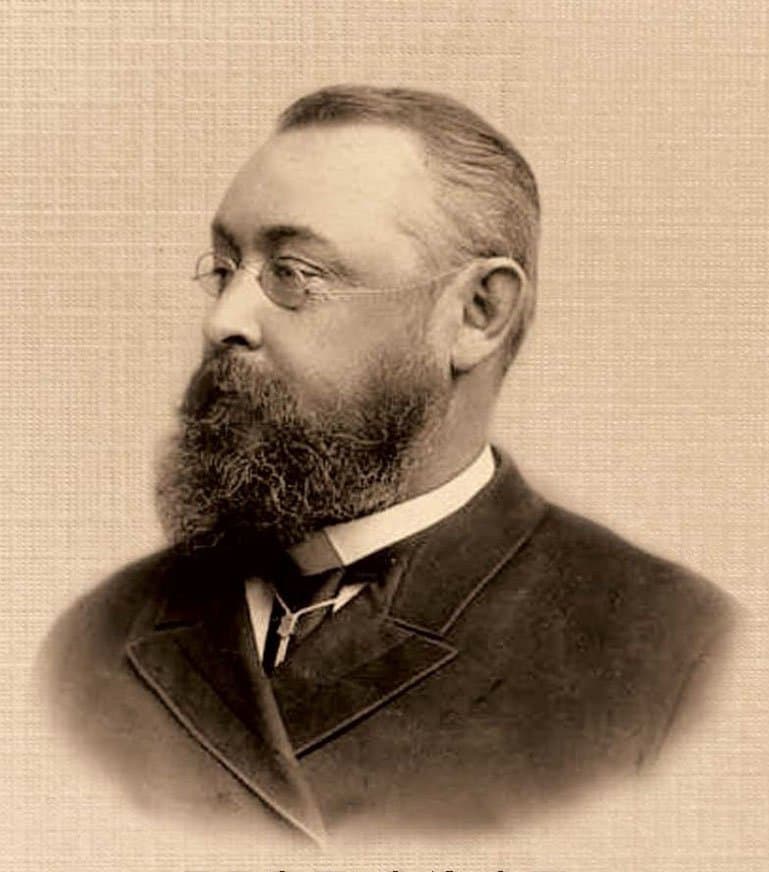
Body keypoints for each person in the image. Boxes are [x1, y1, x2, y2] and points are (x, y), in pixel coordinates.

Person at [41, 85, 735, 844]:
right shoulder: (95, 638)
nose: (223, 321)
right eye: (226, 267)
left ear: (477, 314)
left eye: (293, 274)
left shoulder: (678, 656)